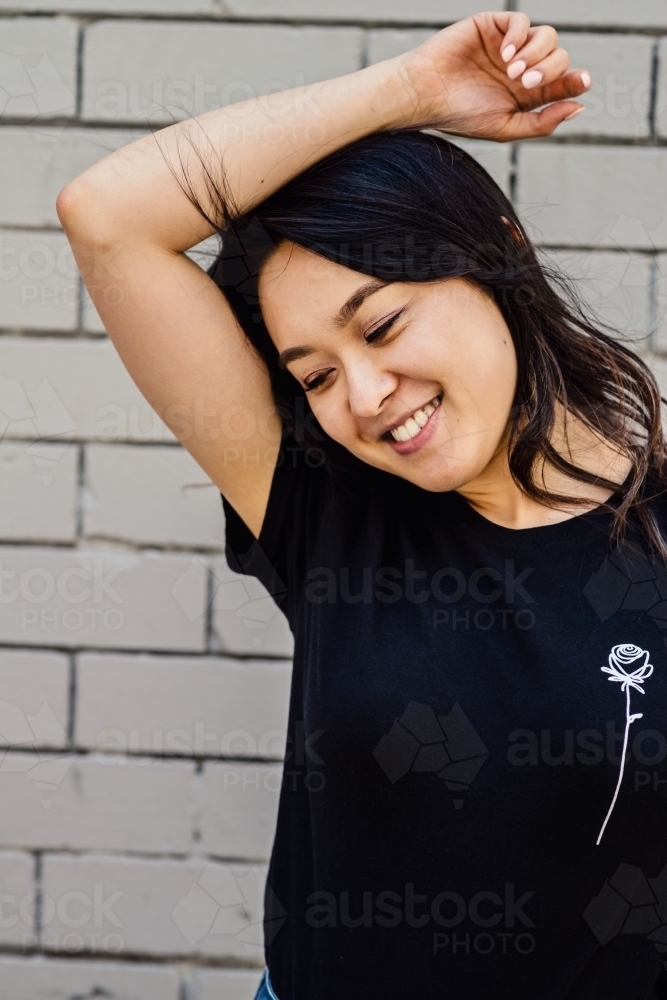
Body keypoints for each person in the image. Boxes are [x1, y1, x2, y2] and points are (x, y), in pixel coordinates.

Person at [57, 11, 667, 999]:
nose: (366, 396)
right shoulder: (326, 510)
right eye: (314, 375)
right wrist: (414, 93)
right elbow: (109, 214)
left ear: (495, 252)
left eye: (381, 323)